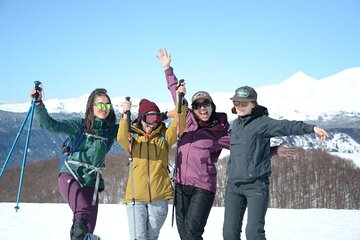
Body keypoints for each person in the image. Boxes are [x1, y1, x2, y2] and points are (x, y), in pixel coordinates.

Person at [157, 48, 298, 240]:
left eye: (206, 104)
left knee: (192, 233)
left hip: (202, 187)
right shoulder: (186, 120)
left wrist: (274, 151)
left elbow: (246, 147)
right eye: (197, 105)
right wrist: (167, 68)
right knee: (184, 234)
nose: (202, 108)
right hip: (181, 184)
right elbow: (177, 94)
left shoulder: (219, 132)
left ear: (212, 106)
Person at [223, 85, 329, 240]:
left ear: (253, 104)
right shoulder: (236, 124)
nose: (240, 106)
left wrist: (311, 128)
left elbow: (286, 126)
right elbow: (250, 150)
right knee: (229, 234)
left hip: (256, 185)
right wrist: (274, 150)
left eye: (244, 103)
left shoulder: (262, 123)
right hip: (233, 186)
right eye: (237, 103)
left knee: (253, 234)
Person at [30, 87, 118, 240]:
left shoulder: (109, 131)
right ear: (91, 106)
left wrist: (157, 116)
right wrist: (38, 103)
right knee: (82, 211)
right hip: (71, 174)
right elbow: (50, 125)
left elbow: (136, 128)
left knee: (88, 228)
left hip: (92, 182)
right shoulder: (80, 125)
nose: (104, 109)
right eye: (100, 105)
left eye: (107, 105)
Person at [117, 90, 186, 240]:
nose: (152, 124)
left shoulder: (164, 138)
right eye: (148, 118)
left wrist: (181, 101)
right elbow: (121, 137)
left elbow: (179, 124)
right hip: (135, 198)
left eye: (156, 119)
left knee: (152, 236)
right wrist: (125, 116)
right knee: (138, 237)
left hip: (159, 197)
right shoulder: (133, 140)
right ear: (141, 119)